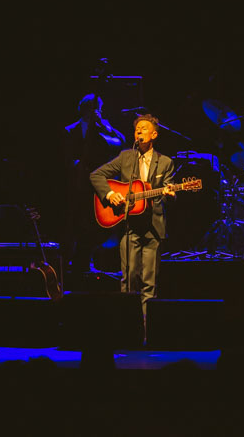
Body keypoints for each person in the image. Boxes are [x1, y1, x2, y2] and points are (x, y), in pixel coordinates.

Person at [89, 114, 175, 320]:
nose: (139, 131)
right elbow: (96, 175)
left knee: (149, 283)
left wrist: (169, 194)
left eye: (144, 128)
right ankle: (127, 325)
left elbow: (168, 195)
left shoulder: (165, 162)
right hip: (129, 227)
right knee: (128, 280)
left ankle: (146, 328)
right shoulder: (126, 157)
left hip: (153, 228)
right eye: (137, 129)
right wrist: (110, 195)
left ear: (154, 135)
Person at [63, 94, 125, 275]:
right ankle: (78, 262)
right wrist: (77, 166)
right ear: (84, 109)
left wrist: (106, 126)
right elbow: (67, 157)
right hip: (80, 182)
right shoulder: (70, 130)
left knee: (99, 224)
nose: (97, 112)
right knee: (80, 223)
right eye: (93, 108)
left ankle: (95, 261)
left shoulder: (103, 129)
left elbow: (121, 142)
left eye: (99, 109)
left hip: (101, 183)